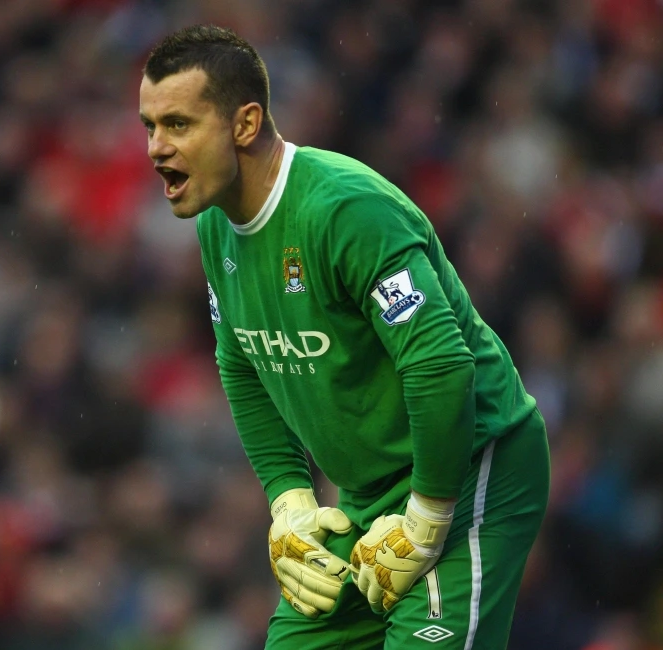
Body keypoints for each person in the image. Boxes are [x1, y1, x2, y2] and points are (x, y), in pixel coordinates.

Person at [138, 24, 550, 650]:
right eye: (149, 126)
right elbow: (242, 362)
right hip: (368, 494)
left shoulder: (343, 209)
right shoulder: (217, 224)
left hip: (472, 472)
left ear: (244, 124)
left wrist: (429, 517)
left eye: (177, 124)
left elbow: (440, 365)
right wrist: (289, 498)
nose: (155, 148)